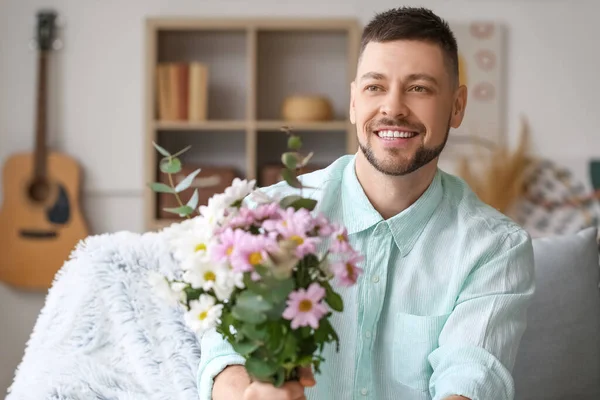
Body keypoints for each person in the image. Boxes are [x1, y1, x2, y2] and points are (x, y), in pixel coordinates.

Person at [197, 6, 535, 400]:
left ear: (457, 106)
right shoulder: (271, 217)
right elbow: (226, 352)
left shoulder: (495, 247)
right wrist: (247, 394)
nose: (393, 108)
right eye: (375, 87)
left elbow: (472, 375)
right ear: (355, 101)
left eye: (419, 88)